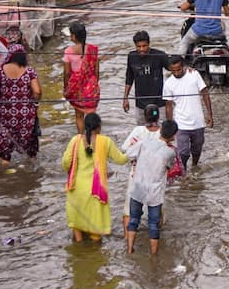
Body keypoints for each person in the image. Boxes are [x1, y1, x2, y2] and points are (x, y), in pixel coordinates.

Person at [62, 113, 128, 242]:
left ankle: (79, 248)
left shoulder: (75, 140)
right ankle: (94, 254)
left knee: (77, 224)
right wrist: (133, 151)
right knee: (95, 232)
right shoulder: (105, 141)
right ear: (99, 127)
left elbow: (65, 163)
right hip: (96, 192)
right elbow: (120, 160)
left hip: (77, 190)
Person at [125, 120, 178, 255]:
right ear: (173, 135)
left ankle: (130, 249)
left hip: (138, 186)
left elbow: (129, 154)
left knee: (133, 220)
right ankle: (153, 255)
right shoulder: (170, 152)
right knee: (153, 225)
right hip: (155, 192)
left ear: (160, 130)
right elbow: (170, 167)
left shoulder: (144, 142)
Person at [0, 44, 42, 165]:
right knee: (29, 146)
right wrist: (35, 104)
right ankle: (33, 171)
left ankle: (4, 172)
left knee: (5, 148)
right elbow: (37, 92)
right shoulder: (29, 71)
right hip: (25, 114)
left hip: (6, 114)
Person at [163, 55, 213, 170]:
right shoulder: (168, 83)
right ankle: (183, 171)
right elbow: (168, 106)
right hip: (181, 124)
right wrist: (170, 125)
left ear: (184, 66)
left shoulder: (194, 75)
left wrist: (210, 114)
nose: (176, 73)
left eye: (178, 69)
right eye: (173, 71)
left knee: (197, 149)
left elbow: (205, 93)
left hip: (198, 122)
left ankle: (195, 166)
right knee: (183, 152)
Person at [121, 104, 162, 237]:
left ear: (144, 117)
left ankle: (128, 240)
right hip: (156, 179)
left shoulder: (138, 131)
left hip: (136, 176)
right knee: (157, 211)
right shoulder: (163, 133)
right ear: (159, 116)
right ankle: (156, 240)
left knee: (130, 211)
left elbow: (125, 149)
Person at [122, 30, 169, 125]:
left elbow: (173, 67)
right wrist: (125, 98)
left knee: (160, 129)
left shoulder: (159, 55)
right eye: (139, 46)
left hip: (158, 103)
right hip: (141, 104)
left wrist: (186, 68)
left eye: (144, 46)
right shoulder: (132, 56)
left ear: (149, 44)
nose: (142, 49)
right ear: (135, 46)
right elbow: (129, 78)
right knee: (141, 130)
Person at [63, 21, 100, 134]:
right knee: (92, 117)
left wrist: (66, 88)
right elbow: (96, 71)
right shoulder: (93, 49)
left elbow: (67, 73)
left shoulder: (69, 51)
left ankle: (81, 139)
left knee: (79, 116)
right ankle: (95, 140)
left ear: (73, 36)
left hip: (76, 90)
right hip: (91, 88)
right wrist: (93, 85)